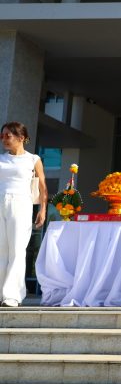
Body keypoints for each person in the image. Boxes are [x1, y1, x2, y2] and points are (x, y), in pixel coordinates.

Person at [0, 122, 46, 307]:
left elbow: (42, 185)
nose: (4, 139)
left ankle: (12, 295)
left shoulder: (33, 159)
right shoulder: (1, 159)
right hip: (0, 202)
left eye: (8, 136)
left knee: (17, 250)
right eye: (2, 136)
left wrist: (43, 209)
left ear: (21, 137)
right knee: (1, 250)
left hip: (20, 204)